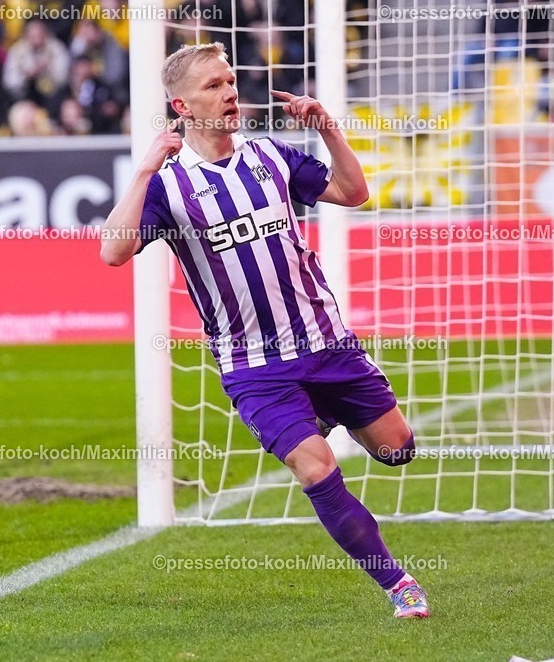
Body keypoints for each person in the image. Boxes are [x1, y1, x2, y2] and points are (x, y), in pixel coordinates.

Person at [100, 43, 429, 619]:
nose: (229, 92)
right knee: (317, 466)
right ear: (182, 104)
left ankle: (320, 412)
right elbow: (112, 251)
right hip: (254, 365)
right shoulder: (167, 185)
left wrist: (327, 127)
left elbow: (355, 194)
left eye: (230, 81)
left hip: (326, 343)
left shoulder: (269, 156)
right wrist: (145, 168)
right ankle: (397, 585)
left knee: (397, 451)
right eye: (213, 85)